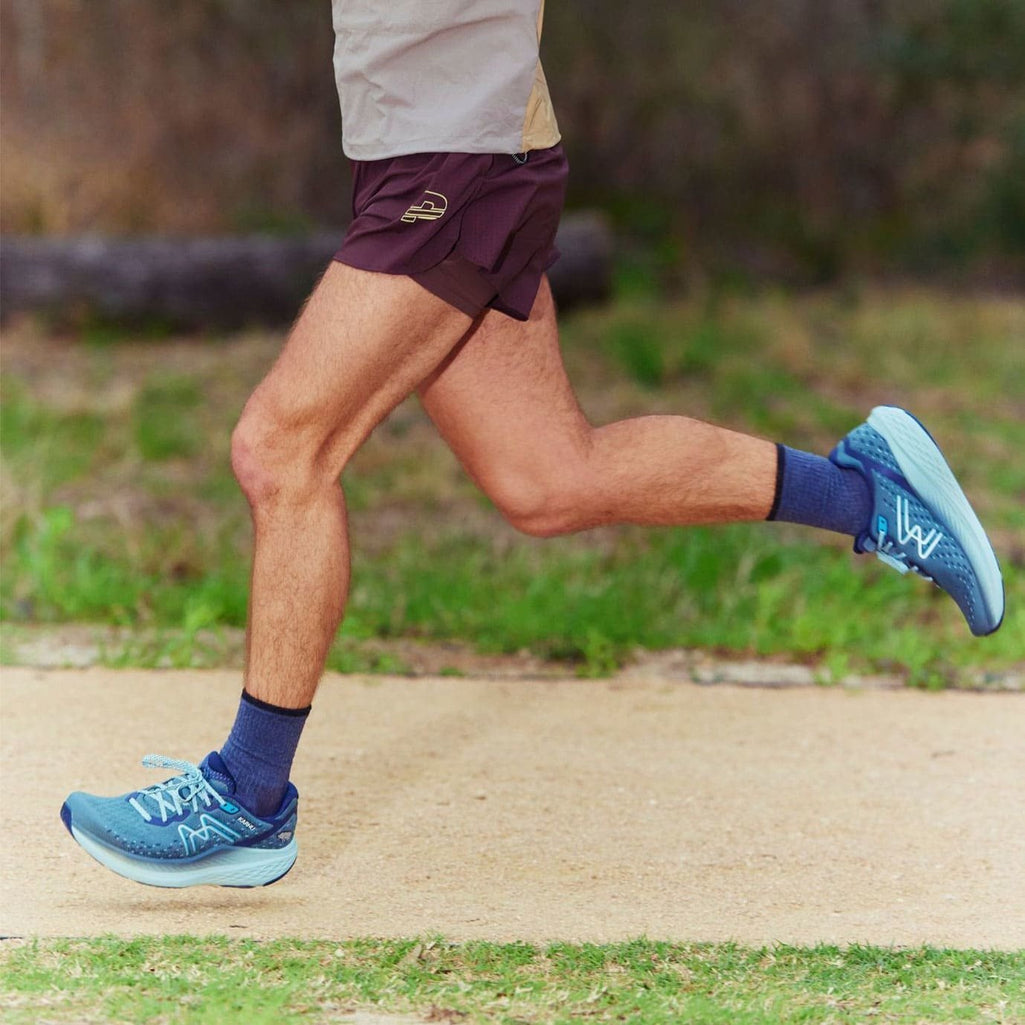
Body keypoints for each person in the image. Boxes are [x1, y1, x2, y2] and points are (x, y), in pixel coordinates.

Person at [61, 1, 1004, 889]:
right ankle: (869, 495)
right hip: (438, 149)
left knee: (282, 448)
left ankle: (247, 795)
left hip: (456, 161)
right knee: (548, 475)